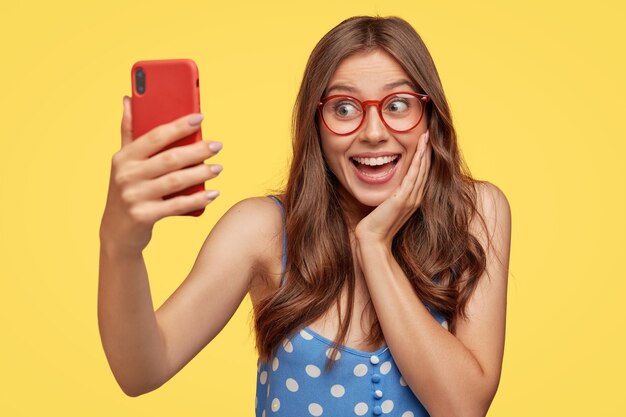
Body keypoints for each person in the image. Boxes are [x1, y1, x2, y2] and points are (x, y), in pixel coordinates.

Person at [98, 15, 511, 417]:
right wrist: (121, 246)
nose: (372, 131)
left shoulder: (477, 213)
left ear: (429, 117)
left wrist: (375, 246)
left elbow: (462, 408)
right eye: (344, 108)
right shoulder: (262, 230)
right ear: (316, 123)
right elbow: (141, 372)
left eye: (398, 104)